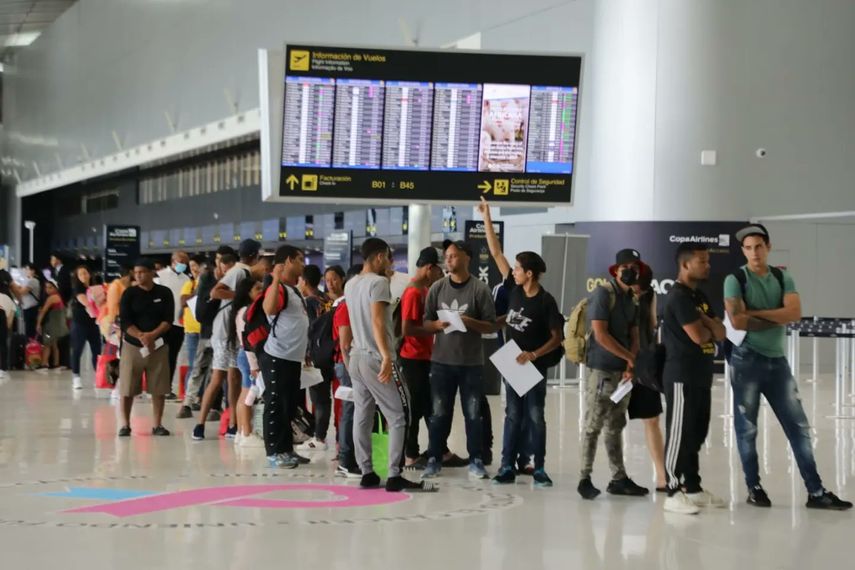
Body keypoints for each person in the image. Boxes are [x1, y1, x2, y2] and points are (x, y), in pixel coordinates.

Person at [725, 224, 852, 510]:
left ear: (768, 247)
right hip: (746, 360)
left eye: (759, 246)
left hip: (777, 362)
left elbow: (794, 313)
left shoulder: (783, 277)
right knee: (747, 429)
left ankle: (816, 492)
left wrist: (753, 313)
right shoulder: (735, 279)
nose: (754, 253)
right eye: (748, 248)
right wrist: (776, 316)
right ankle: (754, 488)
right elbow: (737, 321)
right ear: (743, 251)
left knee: (799, 427)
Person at [478, 198, 562, 487]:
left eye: (517, 268)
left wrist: (533, 354)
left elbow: (556, 338)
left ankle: (539, 468)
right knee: (513, 415)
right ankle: (506, 467)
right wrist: (487, 217)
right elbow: (495, 251)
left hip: (534, 366)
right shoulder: (513, 290)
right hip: (513, 363)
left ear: (529, 273)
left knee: (536, 416)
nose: (512, 271)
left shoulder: (546, 301)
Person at [346, 238, 435, 493]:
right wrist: (386, 355)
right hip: (376, 357)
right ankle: (395, 474)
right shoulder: (378, 283)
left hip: (356, 356)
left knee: (363, 415)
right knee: (399, 414)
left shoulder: (351, 284)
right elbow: (377, 321)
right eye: (387, 257)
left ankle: (367, 472)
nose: (389, 263)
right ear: (378, 257)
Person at [658, 243, 727, 514]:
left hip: (701, 374)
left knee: (697, 432)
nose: (708, 266)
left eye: (708, 260)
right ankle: (673, 490)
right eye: (702, 261)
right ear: (685, 264)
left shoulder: (699, 297)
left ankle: (693, 487)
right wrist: (708, 325)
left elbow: (721, 333)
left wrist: (705, 321)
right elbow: (699, 336)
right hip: (681, 375)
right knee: (679, 433)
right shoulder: (678, 297)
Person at [421, 240, 498, 480]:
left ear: (467, 258)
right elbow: (425, 322)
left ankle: (476, 459)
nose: (449, 259)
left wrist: (469, 322)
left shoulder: (480, 289)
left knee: (473, 414)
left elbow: (491, 326)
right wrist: (436, 325)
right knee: (439, 413)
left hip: (471, 364)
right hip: (441, 363)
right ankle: (434, 458)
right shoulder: (437, 288)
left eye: (454, 255)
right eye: (447, 256)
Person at [578, 249, 649, 500]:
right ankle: (584, 478)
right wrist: (629, 358)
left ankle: (618, 478)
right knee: (593, 424)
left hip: (622, 374)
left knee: (616, 425)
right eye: (626, 267)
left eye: (635, 268)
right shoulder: (603, 293)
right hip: (602, 370)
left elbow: (635, 335)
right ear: (616, 270)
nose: (631, 271)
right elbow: (600, 334)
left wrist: (631, 364)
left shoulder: (633, 299)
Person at [192, 240, 259, 440]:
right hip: (223, 332)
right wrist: (241, 296)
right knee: (218, 378)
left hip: (232, 331)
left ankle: (232, 424)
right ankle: (199, 424)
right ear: (255, 256)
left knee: (233, 378)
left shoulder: (243, 272)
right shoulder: (239, 271)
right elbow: (216, 291)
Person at [259, 245, 309, 468]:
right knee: (276, 404)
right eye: (300, 259)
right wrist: (276, 279)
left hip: (293, 357)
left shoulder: (293, 290)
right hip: (277, 356)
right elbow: (269, 309)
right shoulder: (278, 288)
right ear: (288, 261)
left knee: (289, 406)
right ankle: (274, 452)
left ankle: (286, 448)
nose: (303, 264)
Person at [117, 259, 174, 437]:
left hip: (158, 346)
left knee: (159, 387)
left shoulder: (164, 293)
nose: (138, 275)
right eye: (136, 272)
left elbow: (168, 320)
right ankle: (125, 424)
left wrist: (152, 335)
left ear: (151, 272)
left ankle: (157, 424)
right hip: (133, 346)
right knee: (127, 388)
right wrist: (140, 336)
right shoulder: (129, 293)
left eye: (142, 272)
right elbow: (125, 321)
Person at [399, 246, 444, 467]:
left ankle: (439, 450)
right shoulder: (413, 292)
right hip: (412, 358)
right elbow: (406, 329)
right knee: (415, 408)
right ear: (429, 268)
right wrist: (433, 327)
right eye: (438, 270)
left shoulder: (424, 290)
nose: (439, 274)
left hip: (424, 357)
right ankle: (411, 455)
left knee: (427, 406)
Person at [627, 264, 667, 492]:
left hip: (643, 363)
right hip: (618, 363)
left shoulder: (650, 295)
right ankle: (617, 475)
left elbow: (652, 324)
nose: (638, 290)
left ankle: (662, 476)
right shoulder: (612, 294)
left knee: (652, 419)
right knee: (610, 423)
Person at [178, 253, 220, 419]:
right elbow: (185, 302)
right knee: (201, 369)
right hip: (205, 332)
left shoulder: (220, 279)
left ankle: (208, 405)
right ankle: (190, 403)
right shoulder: (202, 281)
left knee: (212, 371)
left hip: (213, 332)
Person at [298, 263, 334, 451]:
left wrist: (306, 353)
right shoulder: (328, 299)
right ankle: (321, 435)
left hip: (315, 355)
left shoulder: (307, 303)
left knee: (319, 398)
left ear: (304, 281)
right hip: (331, 352)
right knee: (326, 397)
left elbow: (308, 330)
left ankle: (319, 437)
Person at [332, 264, 363, 478]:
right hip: (347, 365)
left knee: (354, 411)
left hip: (353, 364)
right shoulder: (345, 308)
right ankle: (345, 461)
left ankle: (353, 458)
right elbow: (344, 345)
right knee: (349, 412)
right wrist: (352, 370)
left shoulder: (354, 306)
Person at [231, 277, 265, 448]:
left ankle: (240, 432)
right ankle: (247, 433)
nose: (261, 291)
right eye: (257, 288)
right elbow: (248, 339)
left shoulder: (242, 310)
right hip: (248, 355)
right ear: (248, 292)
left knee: (244, 394)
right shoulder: (247, 311)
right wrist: (254, 365)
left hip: (245, 354)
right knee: (248, 396)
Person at [155, 251, 191, 400]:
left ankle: (167, 388)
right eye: (181, 261)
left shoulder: (186, 279)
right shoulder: (160, 276)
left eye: (185, 262)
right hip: (161, 323)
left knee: (172, 356)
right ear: (173, 261)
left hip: (179, 324)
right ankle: (156, 386)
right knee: (159, 355)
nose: (183, 264)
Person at [175, 254, 204, 414]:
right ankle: (190, 399)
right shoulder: (189, 284)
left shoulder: (211, 282)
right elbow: (183, 301)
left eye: (196, 265)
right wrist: (197, 292)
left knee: (204, 366)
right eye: (191, 266)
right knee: (194, 365)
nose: (194, 269)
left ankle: (200, 397)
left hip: (206, 330)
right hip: (192, 330)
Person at [70, 265, 102, 390]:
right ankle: (76, 377)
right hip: (80, 323)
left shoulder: (95, 287)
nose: (83, 276)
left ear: (89, 274)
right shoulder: (78, 288)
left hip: (93, 323)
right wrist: (95, 306)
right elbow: (86, 302)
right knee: (77, 350)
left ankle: (99, 377)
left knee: (97, 351)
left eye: (85, 273)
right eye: (80, 274)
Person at [36, 281, 68, 371]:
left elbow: (43, 311)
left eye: (50, 287)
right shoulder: (59, 297)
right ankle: (56, 364)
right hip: (57, 326)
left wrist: (38, 324)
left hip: (50, 326)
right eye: (46, 287)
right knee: (54, 345)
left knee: (47, 344)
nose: (48, 289)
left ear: (56, 288)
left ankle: (44, 364)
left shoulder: (52, 298)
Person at [19, 263, 42, 338]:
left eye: (27, 269)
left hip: (31, 309)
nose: (26, 271)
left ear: (33, 271)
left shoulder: (33, 281)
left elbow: (22, 292)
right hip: (28, 308)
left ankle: (31, 344)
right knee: (29, 329)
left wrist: (12, 285)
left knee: (30, 330)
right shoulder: (28, 280)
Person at [0, 278, 15, 379]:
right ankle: (3, 369)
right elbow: (9, 323)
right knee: (3, 345)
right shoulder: (9, 299)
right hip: (3, 320)